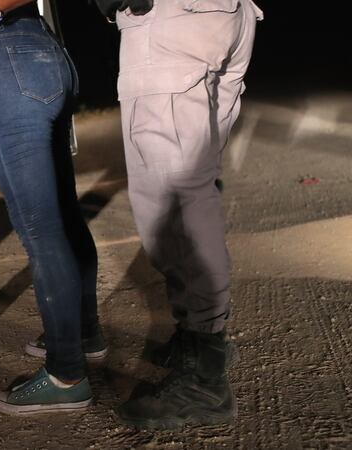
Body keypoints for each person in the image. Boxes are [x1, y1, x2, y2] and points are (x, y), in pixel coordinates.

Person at [91, 0, 263, 428]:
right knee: (194, 187)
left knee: (173, 202)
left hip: (174, 20)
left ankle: (205, 377)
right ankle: (201, 339)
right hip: (225, 15)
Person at [0, 0, 105, 415]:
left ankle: (66, 374)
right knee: (61, 216)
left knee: (40, 230)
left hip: (9, 54)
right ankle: (82, 333)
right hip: (38, 53)